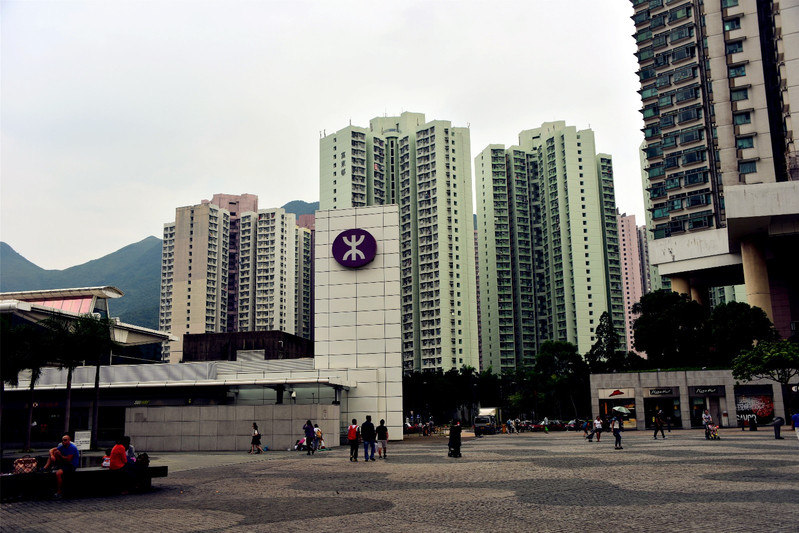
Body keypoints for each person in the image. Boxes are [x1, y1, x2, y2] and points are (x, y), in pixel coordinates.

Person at [42, 433, 80, 498]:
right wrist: (52, 455)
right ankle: (46, 467)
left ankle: (59, 492)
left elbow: (68, 459)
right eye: (62, 440)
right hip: (64, 462)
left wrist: (60, 455)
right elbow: (51, 450)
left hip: (71, 464)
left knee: (58, 473)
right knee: (54, 453)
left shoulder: (72, 447)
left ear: (69, 441)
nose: (63, 441)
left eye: (65, 440)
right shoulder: (62, 446)